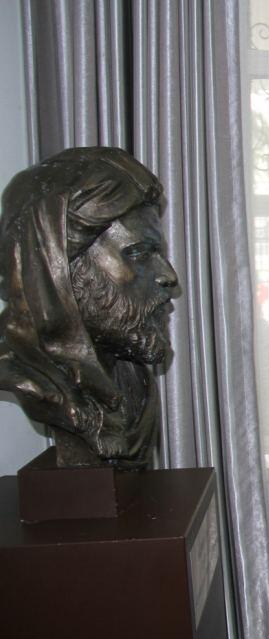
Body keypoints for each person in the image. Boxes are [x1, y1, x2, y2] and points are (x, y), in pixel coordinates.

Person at [0, 146, 179, 468]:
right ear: (60, 270)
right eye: (138, 253)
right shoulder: (24, 375)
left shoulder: (132, 379)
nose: (168, 276)